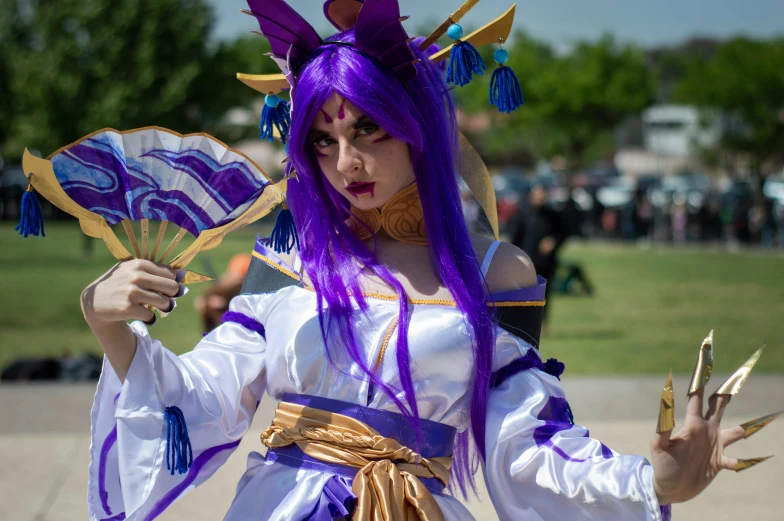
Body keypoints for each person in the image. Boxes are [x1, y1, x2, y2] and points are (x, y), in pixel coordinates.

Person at [77, 2, 773, 520]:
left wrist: (649, 483)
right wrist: (112, 327)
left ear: (417, 127)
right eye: (321, 140)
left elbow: (527, 446)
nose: (345, 162)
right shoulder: (296, 250)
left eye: (368, 130)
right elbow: (203, 398)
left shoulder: (495, 272)